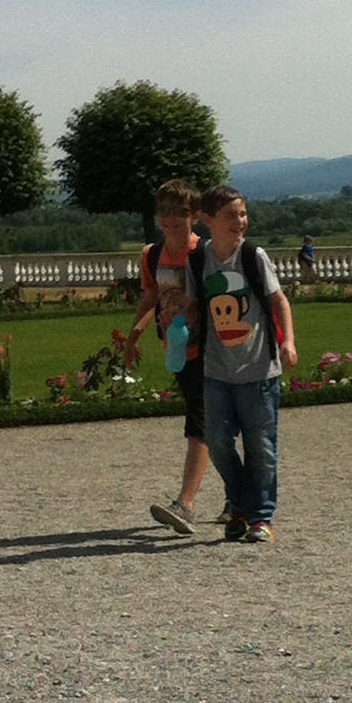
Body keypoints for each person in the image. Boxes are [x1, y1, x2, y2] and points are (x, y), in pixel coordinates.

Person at [186, 185, 297, 544]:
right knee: (218, 442)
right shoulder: (198, 260)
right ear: (207, 220)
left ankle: (259, 516)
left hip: (258, 370)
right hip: (216, 370)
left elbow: (279, 302)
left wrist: (288, 341)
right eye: (231, 215)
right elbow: (195, 306)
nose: (241, 221)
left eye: (243, 214)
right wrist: (179, 317)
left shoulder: (253, 256)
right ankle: (241, 504)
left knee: (261, 447)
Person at [122, 179, 217, 536]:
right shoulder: (152, 254)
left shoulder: (204, 252)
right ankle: (236, 497)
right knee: (212, 425)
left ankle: (185, 504)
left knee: (199, 422)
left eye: (180, 212)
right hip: (177, 349)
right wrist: (133, 337)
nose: (171, 219)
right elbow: (152, 299)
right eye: (164, 211)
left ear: (195, 217)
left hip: (209, 349)